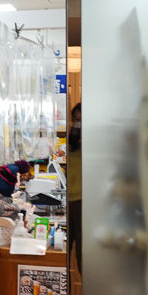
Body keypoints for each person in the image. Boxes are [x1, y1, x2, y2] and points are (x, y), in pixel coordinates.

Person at [67, 103, 82, 272]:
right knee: (63, 257)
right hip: (67, 201)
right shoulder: (70, 143)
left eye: (82, 120)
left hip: (85, 202)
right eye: (76, 120)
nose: (78, 124)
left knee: (83, 255)